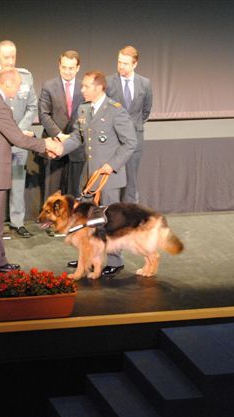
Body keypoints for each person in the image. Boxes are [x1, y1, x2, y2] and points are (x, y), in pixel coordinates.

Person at [0, 67, 62, 276]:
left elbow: (0, 134)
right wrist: (46, 144)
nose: (20, 89)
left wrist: (21, 134)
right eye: (18, 85)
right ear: (7, 83)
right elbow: (17, 139)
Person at [62, 71, 137, 276]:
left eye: (86, 86)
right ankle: (86, 257)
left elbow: (130, 143)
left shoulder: (115, 111)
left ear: (98, 88)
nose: (82, 89)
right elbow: (77, 137)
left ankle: (115, 259)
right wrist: (59, 148)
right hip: (89, 176)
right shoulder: (84, 109)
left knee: (110, 220)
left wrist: (112, 164)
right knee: (86, 221)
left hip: (108, 178)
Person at [0, 40, 37, 238]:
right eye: (6, 57)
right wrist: (10, 134)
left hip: (19, 140)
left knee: (18, 181)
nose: (10, 61)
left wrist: (17, 133)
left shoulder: (25, 77)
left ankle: (17, 221)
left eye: (14, 56)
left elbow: (31, 108)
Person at [105, 45, 152, 204]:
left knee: (131, 181)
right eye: (119, 62)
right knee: (112, 180)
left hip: (135, 139)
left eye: (125, 63)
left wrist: (132, 128)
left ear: (135, 64)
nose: (121, 66)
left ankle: (131, 217)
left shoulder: (144, 83)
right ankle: (111, 215)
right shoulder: (109, 82)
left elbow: (145, 111)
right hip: (114, 140)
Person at [38, 50, 85, 200]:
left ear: (78, 68)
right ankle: (51, 222)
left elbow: (88, 115)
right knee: (52, 191)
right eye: (64, 67)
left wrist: (72, 138)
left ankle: (71, 222)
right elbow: (43, 115)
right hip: (54, 144)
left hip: (76, 146)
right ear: (59, 66)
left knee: (73, 192)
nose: (67, 71)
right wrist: (59, 135)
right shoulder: (49, 86)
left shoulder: (84, 87)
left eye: (71, 68)